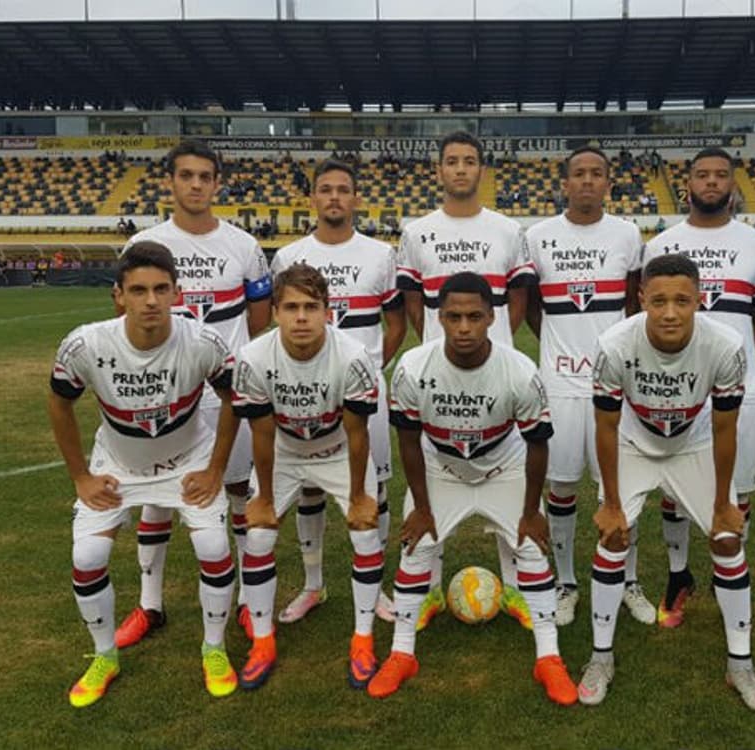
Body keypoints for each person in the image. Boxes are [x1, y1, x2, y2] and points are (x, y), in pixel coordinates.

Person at [366, 273, 577, 706]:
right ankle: (402, 653)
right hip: (441, 468)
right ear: (438, 318)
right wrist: (422, 507)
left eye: (475, 317)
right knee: (416, 547)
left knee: (531, 547)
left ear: (491, 318)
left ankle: (549, 658)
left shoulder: (519, 369)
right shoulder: (412, 367)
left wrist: (531, 510)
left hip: (505, 466)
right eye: (455, 317)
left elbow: (538, 444)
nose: (464, 327)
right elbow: (408, 441)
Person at [576, 253, 755, 713]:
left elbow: (726, 428)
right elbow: (605, 426)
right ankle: (600, 657)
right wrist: (609, 502)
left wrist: (725, 501)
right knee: (612, 537)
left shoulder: (725, 346)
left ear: (699, 300)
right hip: (633, 444)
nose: (670, 312)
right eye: (659, 300)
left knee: (727, 540)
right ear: (641, 298)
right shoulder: (613, 344)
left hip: (693, 445)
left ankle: (741, 664)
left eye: (682, 300)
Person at [49, 242, 242, 707]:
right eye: (138, 290)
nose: (150, 300)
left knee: (214, 546)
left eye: (160, 289)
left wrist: (214, 468)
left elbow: (236, 399)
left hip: (189, 461)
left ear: (177, 293)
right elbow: (59, 402)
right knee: (88, 557)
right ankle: (104, 657)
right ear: (118, 295)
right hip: (117, 466)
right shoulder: (86, 344)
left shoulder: (203, 342)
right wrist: (81, 477)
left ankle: (214, 649)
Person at [116, 139, 273, 650]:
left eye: (206, 176)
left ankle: (251, 603)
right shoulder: (144, 244)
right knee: (156, 501)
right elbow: (130, 322)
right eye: (187, 175)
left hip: (226, 394)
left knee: (241, 495)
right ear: (172, 182)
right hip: (165, 397)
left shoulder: (243, 246)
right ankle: (150, 604)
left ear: (217, 183)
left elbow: (258, 321)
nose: (197, 184)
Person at [395, 131, 536, 629]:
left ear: (481, 170)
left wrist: (499, 345)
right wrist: (436, 343)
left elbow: (518, 297)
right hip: (440, 375)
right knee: (433, 474)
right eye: (451, 161)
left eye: (469, 161)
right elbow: (414, 302)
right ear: (439, 170)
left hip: (496, 373)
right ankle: (430, 591)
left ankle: (517, 590)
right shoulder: (416, 231)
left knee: (508, 471)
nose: (460, 169)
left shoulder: (507, 229)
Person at [230, 265, 384, 691]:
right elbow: (261, 433)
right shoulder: (253, 358)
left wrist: (357, 496)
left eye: (311, 307)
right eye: (292, 307)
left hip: (337, 452)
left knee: (366, 532)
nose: (301, 317)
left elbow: (357, 434)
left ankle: (363, 638)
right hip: (283, 454)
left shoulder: (354, 357)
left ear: (328, 312)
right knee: (257, 534)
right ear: (275, 311)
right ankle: (262, 642)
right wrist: (261, 497)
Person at [642, 147, 755, 629]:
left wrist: (730, 360)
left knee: (738, 488)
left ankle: (728, 569)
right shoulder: (661, 244)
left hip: (741, 387)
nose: (712, 182)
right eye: (703, 175)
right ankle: (679, 576)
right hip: (673, 389)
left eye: (722, 175)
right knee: (674, 488)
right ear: (688, 184)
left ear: (733, 183)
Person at [270, 159, 404, 625]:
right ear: (312, 200)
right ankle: (312, 585)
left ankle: (378, 585)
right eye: (325, 190)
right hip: (301, 391)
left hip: (363, 392)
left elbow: (397, 322)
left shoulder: (380, 254)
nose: (334, 197)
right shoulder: (289, 257)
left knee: (376, 487)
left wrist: (368, 368)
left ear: (355, 199)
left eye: (343, 190)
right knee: (309, 486)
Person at [522, 147, 647, 627]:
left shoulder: (627, 234)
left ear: (609, 182)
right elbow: (533, 307)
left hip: (614, 383)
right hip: (559, 382)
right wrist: (559, 348)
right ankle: (567, 581)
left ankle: (629, 578)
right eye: (580, 174)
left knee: (619, 489)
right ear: (565, 183)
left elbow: (635, 303)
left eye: (597, 174)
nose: (588, 181)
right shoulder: (538, 237)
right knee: (562, 484)